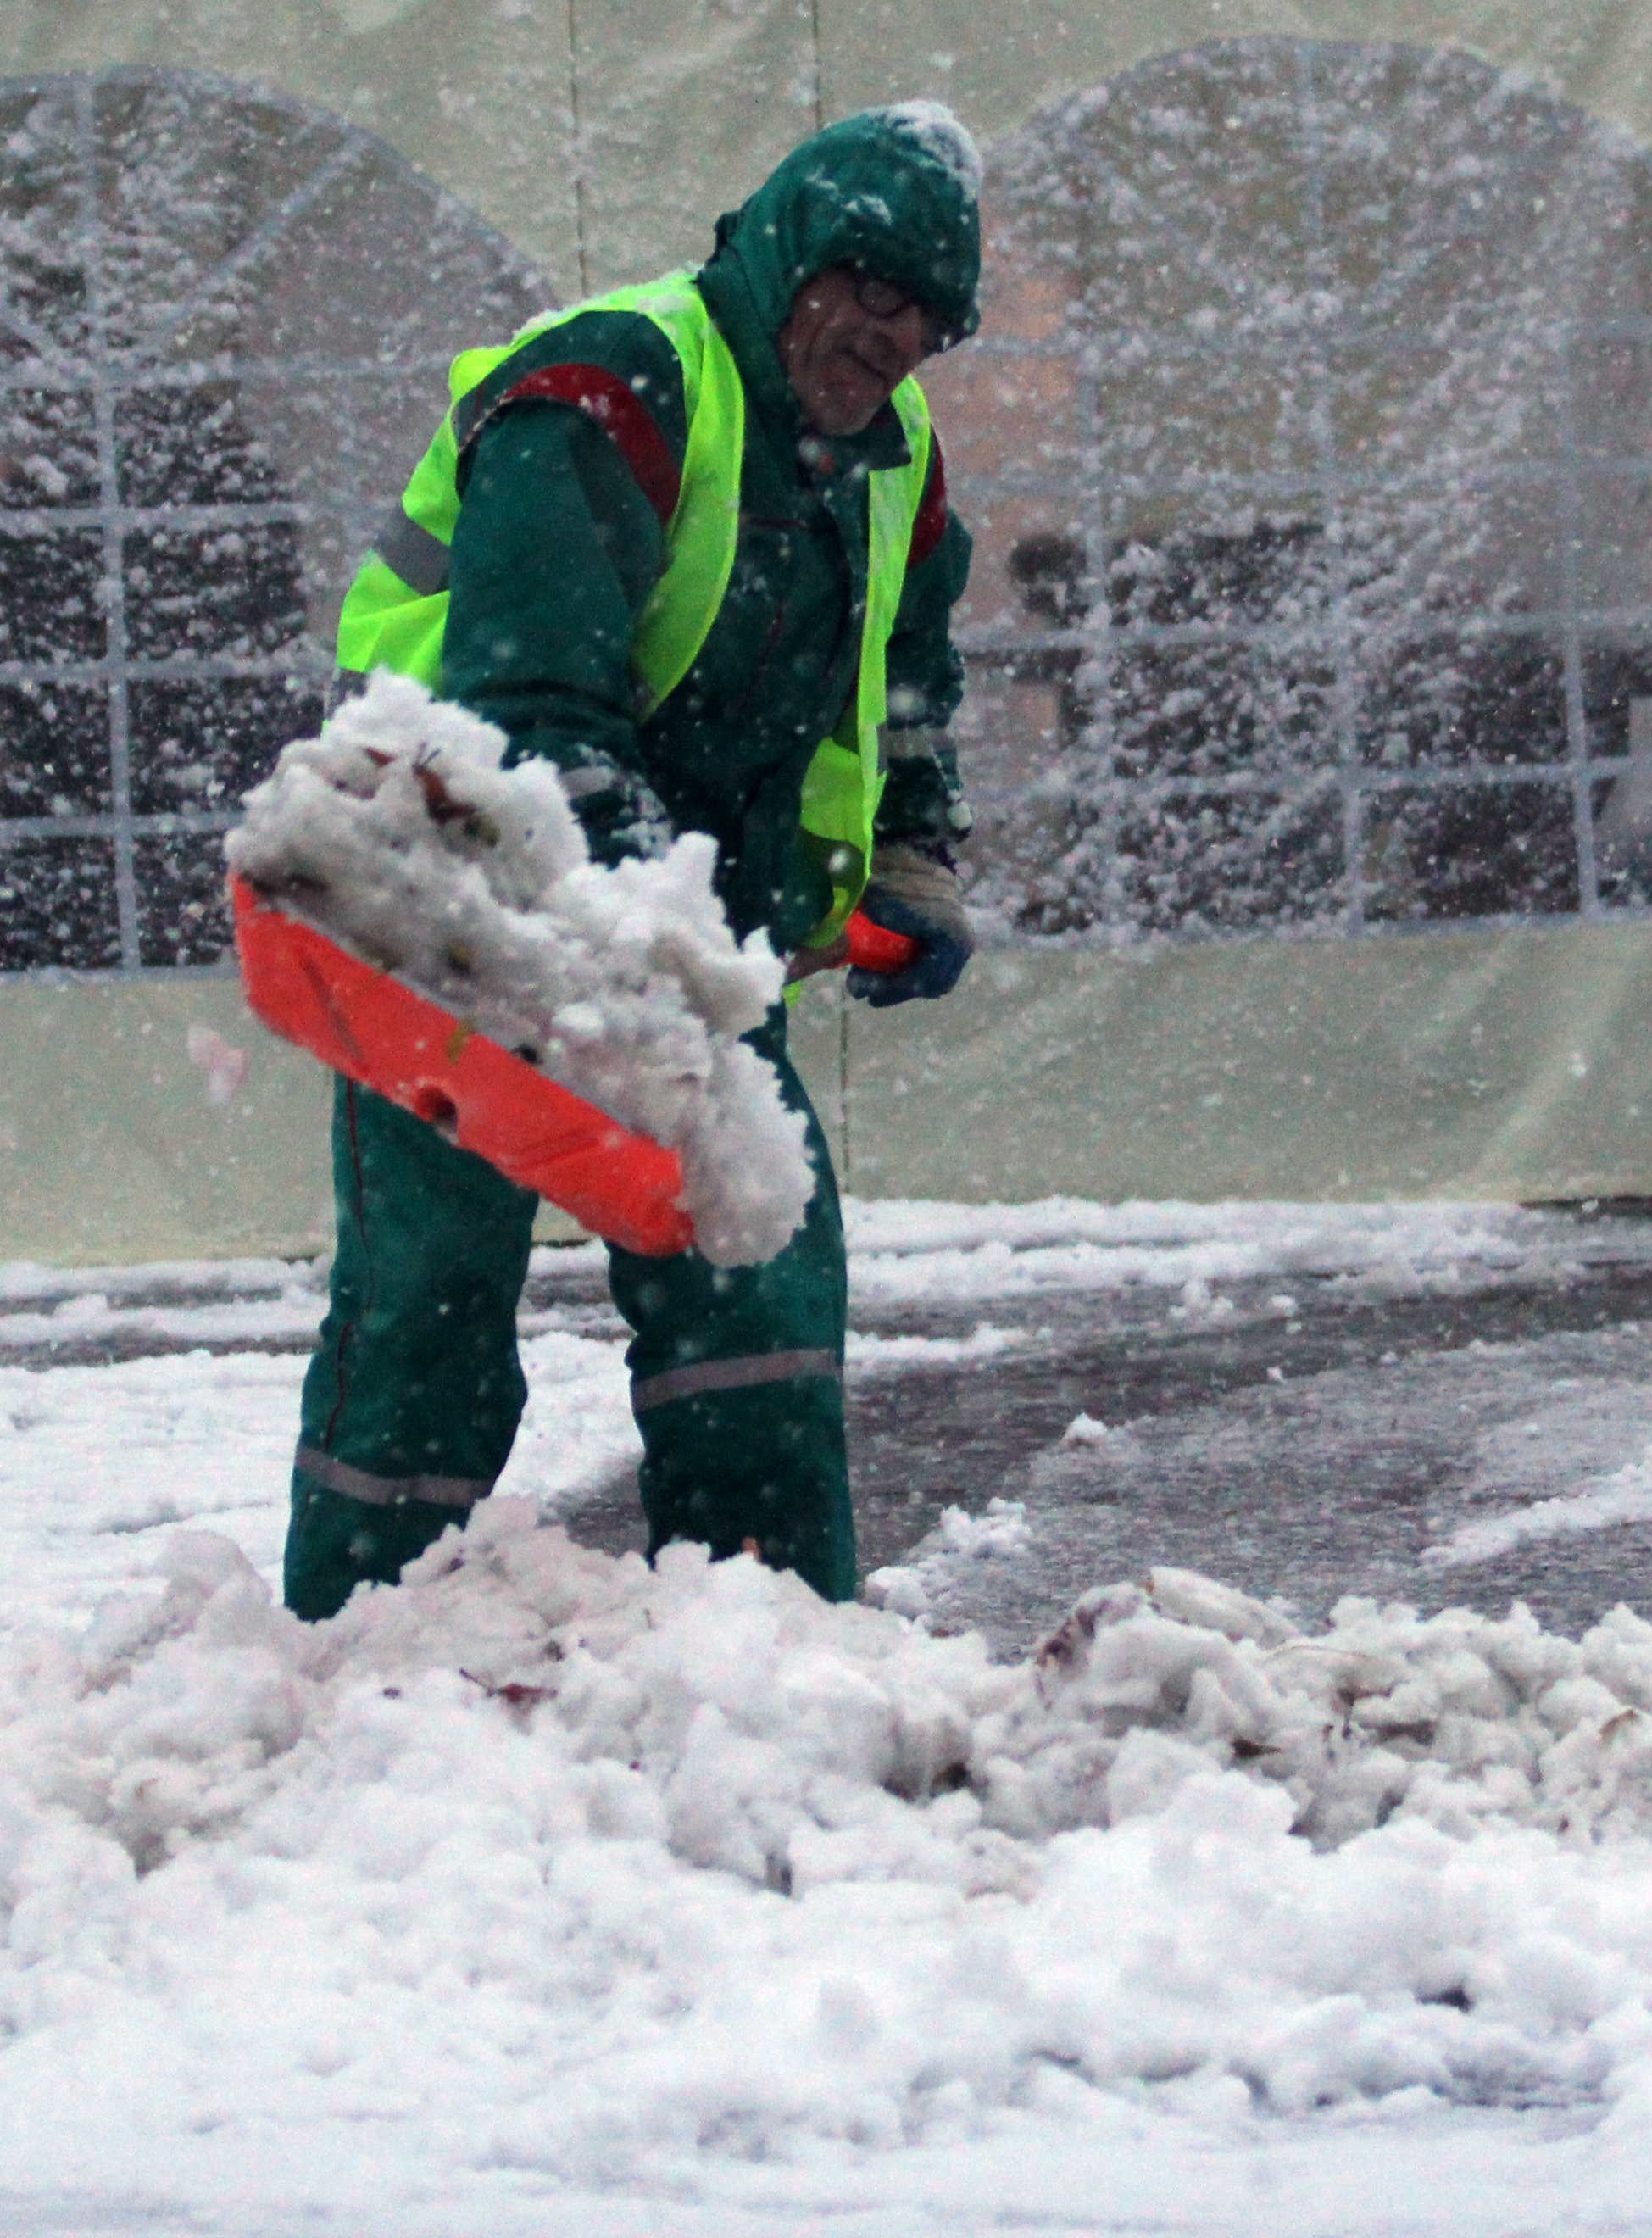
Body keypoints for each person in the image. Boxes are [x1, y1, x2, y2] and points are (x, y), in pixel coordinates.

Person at [280, 106, 985, 1620]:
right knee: (429, 1305)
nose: (889, 335)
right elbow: (531, 705)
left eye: (925, 314)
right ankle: (356, 1652)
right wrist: (672, 939)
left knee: (756, 1279)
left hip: (676, 936)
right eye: (866, 285)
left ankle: (761, 1634)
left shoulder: (895, 456)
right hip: (448, 908)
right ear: (788, 253)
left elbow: (910, 669)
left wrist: (913, 850)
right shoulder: (613, 385)